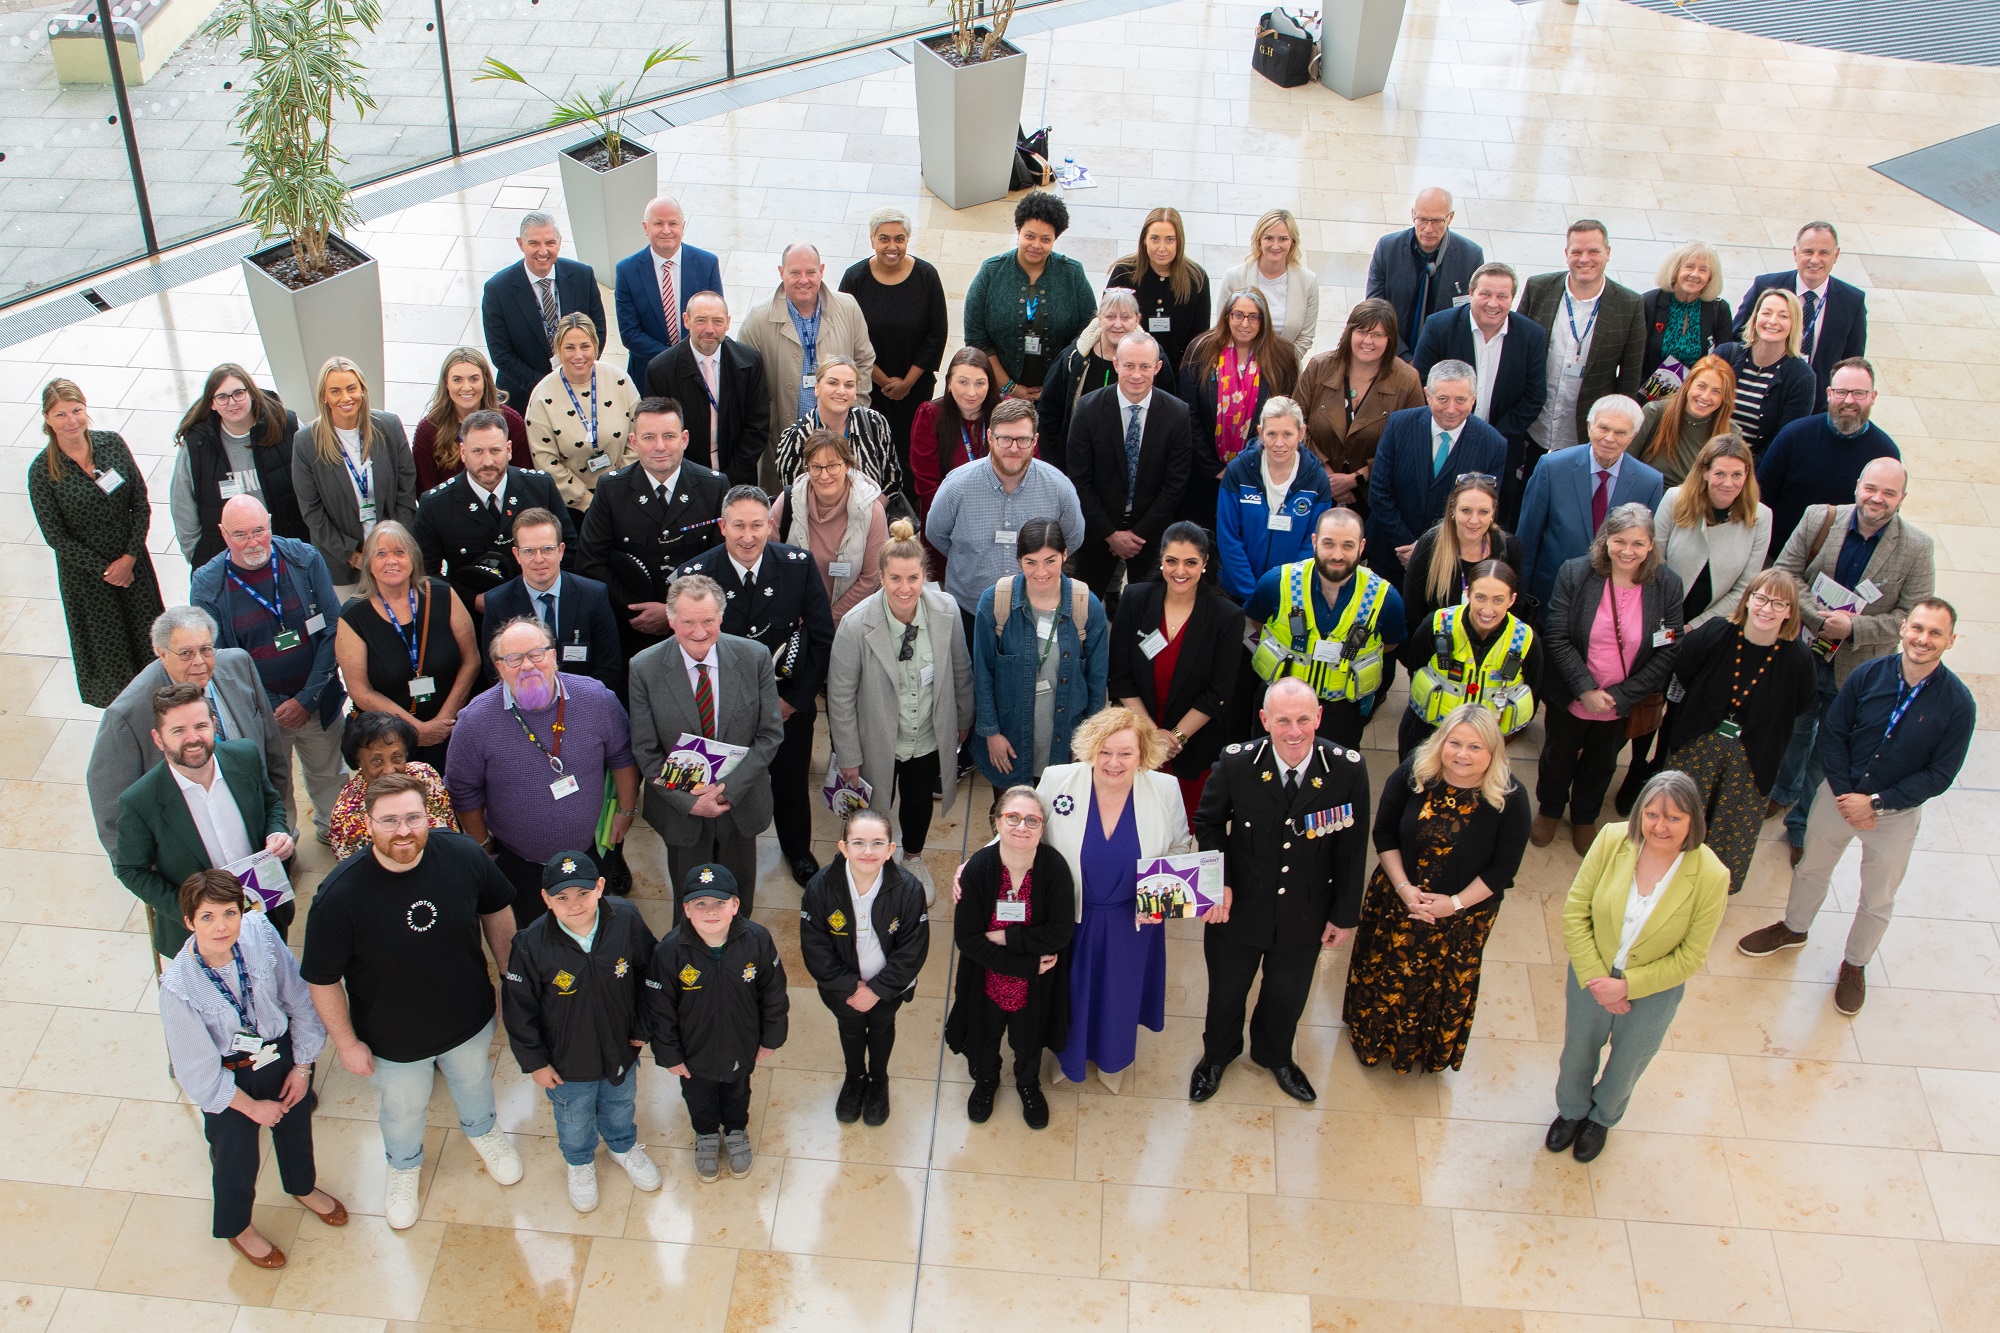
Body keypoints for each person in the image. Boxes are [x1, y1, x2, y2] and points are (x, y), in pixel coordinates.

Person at [301, 772, 522, 1229]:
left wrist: (509, 978)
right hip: (391, 1038)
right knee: (403, 1109)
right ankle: (403, 1166)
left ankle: (484, 1132)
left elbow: (497, 909)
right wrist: (345, 1044)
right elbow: (322, 981)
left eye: (412, 817)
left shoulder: (463, 855)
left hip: (469, 1017)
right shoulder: (338, 897)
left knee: (476, 1080)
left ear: (429, 816)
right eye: (389, 821)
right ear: (367, 823)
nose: (403, 830)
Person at [1736, 598, 1973, 1015]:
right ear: (1903, 630)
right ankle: (1794, 928)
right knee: (1811, 868)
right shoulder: (1867, 675)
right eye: (1917, 628)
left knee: (1878, 897)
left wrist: (1876, 803)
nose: (1923, 639)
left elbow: (1940, 774)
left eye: (1935, 633)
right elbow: (1834, 734)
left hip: (1896, 814)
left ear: (1950, 641)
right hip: (1839, 798)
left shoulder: (1958, 704)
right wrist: (1848, 797)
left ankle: (1855, 964)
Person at [1189, 678, 1370, 1101]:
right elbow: (1209, 822)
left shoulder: (1345, 768)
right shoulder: (1237, 763)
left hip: (1305, 911)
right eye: (1283, 720)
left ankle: (1275, 1056)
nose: (1294, 731)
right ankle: (1216, 1056)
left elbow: (1352, 845)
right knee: (1226, 992)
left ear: (1318, 718)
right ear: (1265, 720)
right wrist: (1220, 881)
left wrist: (1344, 915)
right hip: (1239, 908)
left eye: (1304, 719)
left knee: (1287, 996)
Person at [159, 870, 345, 1269]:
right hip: (229, 1076)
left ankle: (302, 1186)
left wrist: (303, 1066)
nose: (221, 926)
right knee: (235, 1157)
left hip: (279, 1056)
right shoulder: (178, 986)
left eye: (229, 912)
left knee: (296, 1128)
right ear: (189, 922)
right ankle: (238, 1226)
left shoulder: (259, 931)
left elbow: (297, 996)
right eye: (207, 917)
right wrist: (251, 1107)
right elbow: (197, 1070)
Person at [1546, 771, 1728, 1163]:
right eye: (1651, 814)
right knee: (1578, 1051)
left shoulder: (1712, 875)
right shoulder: (1612, 839)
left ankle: (1602, 1118)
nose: (1660, 827)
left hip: (1654, 990)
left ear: (1693, 820)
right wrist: (1598, 980)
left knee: (1629, 1061)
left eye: (1674, 818)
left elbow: (1692, 954)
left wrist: (1626, 987)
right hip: (1590, 975)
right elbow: (1577, 910)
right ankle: (1572, 1109)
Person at [1344, 703, 1532, 1072]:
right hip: (1397, 901)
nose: (1462, 754)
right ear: (1441, 741)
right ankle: (1372, 1037)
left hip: (1460, 919)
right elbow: (1383, 832)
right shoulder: (1415, 773)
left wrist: (1455, 904)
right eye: (1455, 743)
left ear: (1493, 752)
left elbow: (1504, 869)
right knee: (1386, 973)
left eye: (1475, 747)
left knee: (1436, 986)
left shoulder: (1510, 797)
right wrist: (1402, 888)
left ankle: (1420, 1051)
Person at [1769, 459, 1934, 858]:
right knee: (1793, 729)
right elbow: (1785, 572)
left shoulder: (1917, 547)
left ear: (1902, 499)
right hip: (1806, 650)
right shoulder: (1818, 519)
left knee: (1830, 751)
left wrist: (1854, 629)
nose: (1877, 498)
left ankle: (1802, 825)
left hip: (1860, 670)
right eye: (1871, 488)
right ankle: (1781, 791)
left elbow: (1911, 617)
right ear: (1857, 485)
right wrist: (1819, 617)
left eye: (1889, 493)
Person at [676, 486, 836, 885]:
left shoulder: (798, 565)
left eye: (757, 526)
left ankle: (797, 850)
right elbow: (687, 648)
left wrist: (795, 701)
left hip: (786, 702)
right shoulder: (696, 575)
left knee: (791, 781)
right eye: (738, 526)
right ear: (722, 527)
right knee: (722, 784)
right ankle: (717, 852)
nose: (748, 536)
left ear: (771, 526)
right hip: (719, 709)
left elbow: (821, 638)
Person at [446, 616, 641, 924]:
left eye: (536, 654)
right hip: (518, 863)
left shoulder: (597, 699)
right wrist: (483, 845)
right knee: (534, 938)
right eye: (514, 658)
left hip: (590, 852)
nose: (527, 666)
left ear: (553, 656)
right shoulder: (475, 721)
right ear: (498, 667)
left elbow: (622, 757)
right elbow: (462, 789)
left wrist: (626, 812)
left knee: (592, 930)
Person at [1038, 707, 1193, 1091]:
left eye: (1125, 753)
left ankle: (1114, 1061)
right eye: (1105, 752)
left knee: (1120, 994)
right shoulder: (1058, 780)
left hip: (1132, 921)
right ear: (1090, 750)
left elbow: (1179, 848)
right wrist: (978, 867)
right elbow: (1023, 830)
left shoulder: (1164, 790)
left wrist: (1163, 900)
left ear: (1143, 754)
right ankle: (1066, 1056)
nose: (1113, 762)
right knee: (1068, 994)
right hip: (1070, 917)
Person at [500, 849, 662, 1213]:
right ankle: (579, 1163)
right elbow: (518, 1011)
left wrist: (643, 1023)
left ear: (601, 887)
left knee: (620, 1104)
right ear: (545, 899)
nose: (574, 905)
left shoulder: (626, 919)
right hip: (566, 1061)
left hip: (622, 1048)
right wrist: (535, 1062)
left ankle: (622, 1146)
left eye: (583, 893)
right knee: (574, 1118)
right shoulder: (529, 944)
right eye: (562, 897)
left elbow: (651, 971)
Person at [1623, 434, 1770, 811]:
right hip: (1660, 619)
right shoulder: (1675, 500)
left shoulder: (1760, 517)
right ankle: (1635, 769)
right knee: (1650, 698)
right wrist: (1672, 623)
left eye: (1738, 475)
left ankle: (1663, 771)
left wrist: (1696, 627)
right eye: (1720, 473)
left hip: (1710, 632)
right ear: (1704, 471)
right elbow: (1652, 561)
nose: (1728, 483)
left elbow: (1745, 587)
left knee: (1684, 707)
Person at [826, 521, 973, 896]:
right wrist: (848, 754)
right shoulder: (855, 626)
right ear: (881, 577)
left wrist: (962, 719)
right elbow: (840, 697)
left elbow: (960, 669)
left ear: (925, 575)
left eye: (913, 578)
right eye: (895, 579)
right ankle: (875, 864)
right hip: (876, 739)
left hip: (925, 733)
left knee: (919, 799)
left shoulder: (946, 611)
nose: (905, 589)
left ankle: (913, 858)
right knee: (875, 808)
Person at [192, 496, 348, 844]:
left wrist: (306, 700)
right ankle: (283, 847)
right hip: (260, 713)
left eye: (259, 531)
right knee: (272, 785)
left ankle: (335, 834)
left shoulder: (304, 559)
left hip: (317, 699)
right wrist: (272, 705)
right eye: (240, 535)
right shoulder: (207, 584)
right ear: (223, 534)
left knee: (329, 774)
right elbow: (218, 660)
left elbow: (333, 629)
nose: (252, 543)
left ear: (271, 523)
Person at [628, 574, 786, 915]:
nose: (699, 632)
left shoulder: (754, 657)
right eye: (688, 622)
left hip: (740, 805)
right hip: (681, 812)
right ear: (670, 620)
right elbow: (645, 749)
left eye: (708, 621)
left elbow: (770, 735)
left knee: (738, 898)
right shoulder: (644, 668)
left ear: (721, 618)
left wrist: (726, 791)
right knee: (689, 901)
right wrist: (689, 802)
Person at [1533, 505, 1686, 853]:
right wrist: (1585, 689)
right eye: (1619, 541)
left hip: (1620, 703)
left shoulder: (1667, 584)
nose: (1627, 551)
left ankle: (1585, 816)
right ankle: (1550, 809)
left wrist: (1622, 695)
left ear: (1651, 546)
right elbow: (1555, 635)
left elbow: (1670, 647)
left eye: (1638, 543)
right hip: (1572, 694)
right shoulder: (1575, 573)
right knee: (1557, 757)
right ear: (1604, 541)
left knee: (1601, 764)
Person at [1657, 570, 1818, 892]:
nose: (1767, 609)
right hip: (1698, 742)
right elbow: (1686, 668)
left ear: (1790, 611)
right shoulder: (1717, 633)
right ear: (1748, 600)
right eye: (1761, 598)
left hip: (1754, 754)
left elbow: (1802, 703)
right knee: (1680, 812)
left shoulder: (1798, 658)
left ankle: (1709, 888)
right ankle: (1664, 871)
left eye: (1778, 603)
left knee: (1732, 825)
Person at [86, 606, 289, 857]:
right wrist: (143, 873)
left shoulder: (239, 664)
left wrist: (280, 819)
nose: (199, 662)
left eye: (206, 649)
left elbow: (271, 748)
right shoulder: (127, 715)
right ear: (162, 654)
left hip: (260, 841)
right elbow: (110, 809)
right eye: (186, 653)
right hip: (191, 860)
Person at [114, 682, 297, 957]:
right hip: (200, 938)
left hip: (265, 909)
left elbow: (271, 802)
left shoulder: (244, 756)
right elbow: (130, 869)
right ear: (158, 738)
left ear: (214, 724)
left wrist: (276, 832)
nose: (193, 738)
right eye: (178, 730)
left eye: (200, 726)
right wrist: (190, 911)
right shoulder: (140, 801)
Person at [642, 863, 788, 1182]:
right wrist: (669, 1055)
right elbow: (660, 1009)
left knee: (738, 1093)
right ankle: (706, 1135)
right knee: (698, 1098)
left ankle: (736, 1131)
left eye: (719, 903)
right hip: (693, 1052)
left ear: (735, 905)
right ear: (686, 910)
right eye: (700, 904)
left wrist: (771, 1037)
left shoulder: (758, 940)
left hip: (742, 1043)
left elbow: (773, 993)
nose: (711, 911)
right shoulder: (669, 951)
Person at [944, 786, 1075, 1127]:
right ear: (997, 823)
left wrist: (1006, 935)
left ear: (1042, 828)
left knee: (1028, 1041)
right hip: (986, 977)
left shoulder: (1054, 868)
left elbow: (1060, 933)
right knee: (985, 1038)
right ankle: (986, 1081)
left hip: (1035, 987)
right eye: (1013, 817)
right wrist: (1027, 964)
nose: (1022, 827)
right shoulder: (979, 869)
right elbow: (967, 939)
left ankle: (1027, 1083)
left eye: (1032, 820)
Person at [30, 378, 166, 706]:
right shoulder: (42, 472)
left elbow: (140, 502)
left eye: (76, 410)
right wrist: (107, 570)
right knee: (112, 654)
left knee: (149, 643)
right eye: (60, 414)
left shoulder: (112, 444)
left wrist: (129, 558)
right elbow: (56, 537)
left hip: (134, 566)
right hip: (88, 581)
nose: (71, 420)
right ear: (47, 418)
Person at [798, 809, 931, 1125]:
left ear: (890, 849)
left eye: (877, 843)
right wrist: (848, 987)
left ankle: (878, 1079)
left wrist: (878, 990)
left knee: (883, 1027)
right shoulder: (820, 887)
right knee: (850, 1028)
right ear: (843, 847)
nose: (867, 852)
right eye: (858, 843)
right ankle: (855, 1077)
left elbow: (913, 949)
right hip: (842, 990)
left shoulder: (909, 890)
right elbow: (815, 946)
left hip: (888, 990)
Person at [578, 396, 731, 659]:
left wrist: (673, 613)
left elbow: (723, 560)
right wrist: (636, 610)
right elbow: (590, 562)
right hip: (631, 628)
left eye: (669, 436)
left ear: (684, 439)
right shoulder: (611, 489)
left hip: (697, 630)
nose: (660, 446)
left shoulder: (714, 487)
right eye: (649, 437)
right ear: (634, 442)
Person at [1110, 522, 1242, 815]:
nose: (1179, 571)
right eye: (1172, 561)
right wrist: (1152, 735)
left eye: (1190, 562)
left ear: (1205, 563)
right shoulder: (1134, 600)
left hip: (1192, 746)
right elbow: (1119, 677)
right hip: (1138, 737)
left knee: (1181, 830)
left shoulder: (1227, 617)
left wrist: (1175, 738)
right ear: (1161, 560)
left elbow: (1219, 693)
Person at [1246, 507, 1405, 747]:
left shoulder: (1386, 599)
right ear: (1314, 541)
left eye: (1348, 546)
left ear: (1362, 547)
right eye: (1329, 543)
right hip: (1279, 706)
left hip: (1341, 711)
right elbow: (1257, 622)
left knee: (1334, 779)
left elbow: (1390, 645)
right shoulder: (1276, 582)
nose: (1337, 555)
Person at [974, 518, 1109, 790]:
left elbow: (1097, 681)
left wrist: (1090, 743)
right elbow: (982, 673)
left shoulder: (1086, 606)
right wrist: (991, 734)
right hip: (1010, 743)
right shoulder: (995, 602)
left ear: (1065, 555)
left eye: (1050, 560)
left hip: (1067, 745)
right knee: (1013, 824)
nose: (1041, 572)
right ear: (1018, 560)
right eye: (1030, 562)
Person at [926, 399, 1087, 627]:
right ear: (990, 437)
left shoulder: (1059, 488)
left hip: (1035, 611)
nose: (1013, 448)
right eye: (1005, 439)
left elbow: (1072, 539)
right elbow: (936, 535)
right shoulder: (956, 486)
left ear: (1035, 441)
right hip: (970, 610)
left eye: (1023, 439)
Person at [1410, 262, 1549, 521]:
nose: (1493, 303)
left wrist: (1490, 437)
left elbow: (1534, 396)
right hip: (1443, 441)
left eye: (1502, 296)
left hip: (1501, 446)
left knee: (1488, 522)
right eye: (1485, 294)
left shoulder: (1532, 336)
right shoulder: (1439, 326)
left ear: (1512, 299)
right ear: (1471, 293)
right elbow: (1421, 382)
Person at [335, 521, 479, 770]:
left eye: (399, 552)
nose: (391, 561)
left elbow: (471, 661)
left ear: (413, 557)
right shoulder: (353, 616)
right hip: (391, 745)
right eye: (381, 554)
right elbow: (361, 691)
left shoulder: (443, 594)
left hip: (452, 730)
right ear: (369, 563)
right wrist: (416, 729)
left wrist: (444, 719)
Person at [412, 409, 573, 628]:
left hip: (540, 611)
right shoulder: (435, 504)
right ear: (463, 452)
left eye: (495, 450)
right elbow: (426, 576)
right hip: (473, 618)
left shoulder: (540, 487)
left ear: (508, 450)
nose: (487, 461)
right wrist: (473, 600)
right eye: (477, 451)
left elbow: (570, 549)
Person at [1065, 331, 1193, 599]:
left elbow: (1175, 483)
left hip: (1150, 535)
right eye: (1129, 365)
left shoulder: (1177, 414)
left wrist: (1137, 534)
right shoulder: (1088, 409)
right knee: (1081, 608)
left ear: (1157, 368)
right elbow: (1078, 479)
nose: (1137, 374)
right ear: (1116, 364)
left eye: (1145, 366)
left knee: (1149, 612)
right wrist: (1111, 534)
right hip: (1096, 531)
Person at [740, 243, 878, 483]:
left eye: (810, 272)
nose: (803, 280)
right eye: (794, 273)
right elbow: (744, 377)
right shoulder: (758, 319)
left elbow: (864, 359)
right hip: (783, 437)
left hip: (839, 434)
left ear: (822, 271)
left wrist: (854, 405)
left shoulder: (848, 308)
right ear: (781, 272)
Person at [1520, 221, 1648, 476]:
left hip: (1585, 434)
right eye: (1576, 252)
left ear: (1608, 253)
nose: (1584, 259)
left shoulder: (1630, 304)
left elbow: (1629, 379)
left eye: (1593, 251)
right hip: (1534, 424)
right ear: (1566, 254)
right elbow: (1516, 353)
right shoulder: (1538, 288)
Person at [1516, 395, 1666, 612]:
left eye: (1620, 432)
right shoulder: (1552, 467)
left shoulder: (1649, 482)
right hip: (1549, 596)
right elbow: (1527, 538)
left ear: (1633, 437)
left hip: (1611, 603)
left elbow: (1645, 552)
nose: (1609, 438)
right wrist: (1521, 598)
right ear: (1589, 427)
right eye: (1603, 428)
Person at [1364, 360, 1509, 583]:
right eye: (1443, 399)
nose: (1451, 409)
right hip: (1390, 553)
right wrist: (1409, 547)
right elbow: (1379, 492)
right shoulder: (1398, 425)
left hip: (1449, 562)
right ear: (1427, 395)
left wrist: (1427, 550)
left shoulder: (1493, 445)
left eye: (1461, 400)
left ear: (1473, 398)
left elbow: (1483, 511)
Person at [839, 207, 948, 501]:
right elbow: (847, 334)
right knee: (872, 452)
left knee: (913, 453)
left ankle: (912, 511)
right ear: (872, 239)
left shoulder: (927, 276)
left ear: (908, 239)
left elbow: (936, 335)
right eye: (884, 239)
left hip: (915, 389)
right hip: (869, 389)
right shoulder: (854, 279)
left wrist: (907, 383)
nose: (892, 247)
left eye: (899, 239)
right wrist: (883, 379)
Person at [290, 356, 417, 592]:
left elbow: (406, 492)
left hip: (394, 557)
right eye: (335, 391)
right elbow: (312, 511)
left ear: (363, 390)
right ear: (324, 397)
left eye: (351, 388)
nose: (345, 398)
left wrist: (392, 547)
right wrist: (353, 555)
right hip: (342, 564)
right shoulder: (306, 441)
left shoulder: (389, 426)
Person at [1178, 287, 1300, 526]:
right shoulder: (1201, 350)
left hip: (1259, 472)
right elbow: (1188, 413)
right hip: (1204, 473)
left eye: (1253, 316)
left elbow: (1285, 415)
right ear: (1227, 316)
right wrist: (1213, 468)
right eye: (1238, 315)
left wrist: (1249, 466)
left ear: (1263, 320)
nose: (1245, 323)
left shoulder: (1282, 356)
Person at [963, 191, 1097, 408]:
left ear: (1056, 239)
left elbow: (1088, 334)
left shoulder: (1072, 273)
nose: (1036, 245)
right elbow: (977, 338)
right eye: (1029, 236)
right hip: (998, 395)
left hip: (1058, 393)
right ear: (1018, 231)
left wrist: (1057, 382)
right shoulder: (991, 271)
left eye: (1046, 239)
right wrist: (1009, 387)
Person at [1756, 357, 1900, 555]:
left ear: (1873, 397)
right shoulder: (1794, 436)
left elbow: (1886, 517)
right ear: (1829, 394)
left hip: (1840, 566)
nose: (1849, 400)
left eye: (1859, 393)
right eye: (1841, 392)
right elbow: (1760, 498)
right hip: (1778, 556)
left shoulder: (1885, 454)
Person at [1399, 559, 1541, 758]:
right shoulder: (1437, 625)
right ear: (1468, 594)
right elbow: (1415, 666)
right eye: (1480, 597)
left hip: (1482, 744)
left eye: (1498, 600)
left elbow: (1532, 689)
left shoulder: (1526, 641)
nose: (1487, 609)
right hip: (1428, 733)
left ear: (1512, 600)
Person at [170, 364, 308, 567]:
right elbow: (182, 505)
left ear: (251, 394)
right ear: (212, 403)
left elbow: (317, 483)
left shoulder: (287, 425)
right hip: (228, 562)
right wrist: (198, 556)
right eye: (222, 397)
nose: (232, 402)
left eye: (238, 393)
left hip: (289, 552)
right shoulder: (196, 445)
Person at [1295, 299, 1426, 510]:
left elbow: (1409, 443)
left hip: (1375, 495)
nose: (1368, 341)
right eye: (1362, 332)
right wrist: (1326, 474)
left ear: (1390, 339)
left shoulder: (1407, 380)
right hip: (1313, 483)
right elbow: (1296, 423)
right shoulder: (1319, 366)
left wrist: (1355, 479)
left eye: (1378, 335)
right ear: (1350, 333)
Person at [483, 507, 624, 694]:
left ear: (561, 550)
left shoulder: (594, 595)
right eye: (529, 551)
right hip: (526, 707)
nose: (539, 559)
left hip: (585, 704)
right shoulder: (497, 603)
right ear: (517, 555)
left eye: (547, 549)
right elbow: (495, 671)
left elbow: (608, 667)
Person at [1037, 288, 1175, 474]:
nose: (1117, 324)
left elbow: (1170, 410)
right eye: (1110, 317)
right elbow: (1049, 412)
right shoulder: (1074, 358)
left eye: (1125, 317)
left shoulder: (1155, 357)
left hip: (1136, 466)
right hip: (1082, 462)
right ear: (1099, 318)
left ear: (1137, 319)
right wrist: (1054, 465)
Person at [1733, 221, 1867, 410]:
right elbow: (1737, 337)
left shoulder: (1852, 301)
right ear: (1795, 252)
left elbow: (1852, 360)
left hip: (1817, 405)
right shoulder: (1765, 286)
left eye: (1824, 253)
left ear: (1835, 255)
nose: (1815, 260)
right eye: (1808, 251)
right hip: (1760, 397)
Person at [484, 212, 608, 410]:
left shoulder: (582, 276)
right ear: (520, 243)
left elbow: (598, 331)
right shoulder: (498, 290)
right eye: (534, 243)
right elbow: (501, 354)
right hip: (525, 397)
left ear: (559, 241)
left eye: (550, 243)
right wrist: (548, 386)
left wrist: (578, 371)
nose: (543, 251)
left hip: (580, 388)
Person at [777, 426, 898, 628]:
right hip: (794, 623)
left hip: (847, 625)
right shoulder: (788, 501)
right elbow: (770, 561)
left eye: (832, 466)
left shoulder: (871, 510)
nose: (824, 476)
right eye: (816, 467)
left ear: (848, 465)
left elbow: (870, 578)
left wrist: (824, 620)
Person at [643, 290, 770, 482]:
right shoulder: (661, 370)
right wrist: (695, 478)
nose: (709, 329)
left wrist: (734, 475)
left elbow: (757, 424)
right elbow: (660, 431)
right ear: (686, 320)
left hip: (739, 475)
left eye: (717, 321)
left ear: (728, 322)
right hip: (686, 479)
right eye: (701, 320)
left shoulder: (750, 361)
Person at [1216, 396, 1333, 603]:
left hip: (1290, 595)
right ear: (1260, 433)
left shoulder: (1317, 479)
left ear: (1302, 433)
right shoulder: (1239, 470)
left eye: (1288, 434)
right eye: (1271, 434)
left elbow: (1313, 542)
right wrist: (1253, 595)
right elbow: (1228, 537)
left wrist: (1285, 590)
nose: (1279, 443)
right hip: (1237, 592)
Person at [526, 313, 642, 522]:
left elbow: (639, 436)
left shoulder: (620, 381)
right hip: (573, 509)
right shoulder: (542, 396)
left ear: (595, 347)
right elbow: (545, 461)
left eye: (585, 346)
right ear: (558, 351)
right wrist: (588, 503)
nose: (578, 355)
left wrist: (617, 488)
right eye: (569, 347)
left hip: (624, 495)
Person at [613, 195, 724, 380]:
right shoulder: (627, 271)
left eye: (673, 223)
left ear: (683, 226)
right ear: (645, 227)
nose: (666, 231)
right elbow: (630, 333)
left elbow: (715, 319)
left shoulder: (707, 264)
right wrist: (675, 358)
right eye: (658, 223)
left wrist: (690, 358)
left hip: (699, 372)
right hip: (649, 372)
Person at [1366, 188, 1485, 357]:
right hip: (1392, 352)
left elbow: (1470, 316)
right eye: (1422, 219)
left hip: (1443, 357)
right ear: (1413, 214)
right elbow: (1374, 307)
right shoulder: (1387, 248)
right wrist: (1404, 357)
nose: (1428, 229)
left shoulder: (1471, 256)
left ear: (1450, 218)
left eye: (1436, 221)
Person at [1400, 474, 1522, 637]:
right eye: (1466, 510)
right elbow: (1411, 612)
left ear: (1493, 513)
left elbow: (1517, 611)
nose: (1474, 520)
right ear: (1452, 510)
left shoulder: (1509, 547)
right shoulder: (1430, 545)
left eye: (1483, 512)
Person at [327, 711, 458, 861]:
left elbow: (450, 829)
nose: (389, 770)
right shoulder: (346, 815)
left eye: (396, 758)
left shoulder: (426, 776)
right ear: (358, 762)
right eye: (377, 760)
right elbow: (354, 873)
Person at [409, 347, 537, 492]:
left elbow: (523, 479)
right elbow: (426, 492)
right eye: (457, 380)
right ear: (446, 383)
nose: (466, 387)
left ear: (485, 381)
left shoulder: (511, 422)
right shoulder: (428, 430)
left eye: (474, 379)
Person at [773, 357, 903, 498]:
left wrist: (871, 512)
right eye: (833, 383)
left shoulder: (874, 423)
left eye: (849, 385)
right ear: (817, 387)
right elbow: (794, 495)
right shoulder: (796, 437)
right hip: (817, 519)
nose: (841, 391)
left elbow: (893, 481)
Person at [1711, 288, 1816, 460]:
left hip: (1752, 471)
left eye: (1783, 316)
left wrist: (1743, 472)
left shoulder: (1802, 377)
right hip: (1703, 459)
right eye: (1766, 313)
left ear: (1794, 324)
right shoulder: (1725, 355)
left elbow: (1783, 442)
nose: (1773, 321)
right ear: (1755, 317)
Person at [1107, 205, 1213, 372]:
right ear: (1144, 240)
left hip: (1178, 371)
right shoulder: (1123, 273)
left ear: (1180, 241)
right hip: (1131, 370)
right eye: (1155, 239)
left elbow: (1199, 339)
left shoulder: (1196, 279)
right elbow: (1108, 324)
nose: (1162, 247)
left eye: (1169, 239)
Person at [910, 346, 999, 515]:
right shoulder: (931, 415)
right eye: (963, 382)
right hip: (947, 512)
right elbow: (926, 482)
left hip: (998, 512)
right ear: (949, 382)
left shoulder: (1004, 412)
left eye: (980, 383)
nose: (971, 392)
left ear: (990, 384)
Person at [1218, 208, 1320, 353]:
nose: (1275, 245)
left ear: (1293, 242)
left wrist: (1280, 366)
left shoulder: (1308, 281)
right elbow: (1222, 329)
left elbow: (1305, 337)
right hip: (1237, 368)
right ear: (1259, 240)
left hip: (1284, 368)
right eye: (1269, 238)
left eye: (1283, 239)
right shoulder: (1233, 277)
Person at [1630, 354, 1737, 486]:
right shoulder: (1655, 413)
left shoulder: (1730, 433)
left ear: (1725, 397)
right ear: (1688, 385)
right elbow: (1626, 465)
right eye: (1701, 386)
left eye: (1716, 391)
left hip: (1690, 503)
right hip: (1645, 497)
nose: (1705, 396)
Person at [1638, 240, 1732, 386]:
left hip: (1696, 397)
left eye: (1703, 270)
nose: (1695, 274)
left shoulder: (1720, 309)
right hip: (1648, 396)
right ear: (1675, 271)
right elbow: (1633, 357)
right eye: (1689, 266)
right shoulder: (1649, 303)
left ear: (1710, 278)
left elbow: (1723, 362)